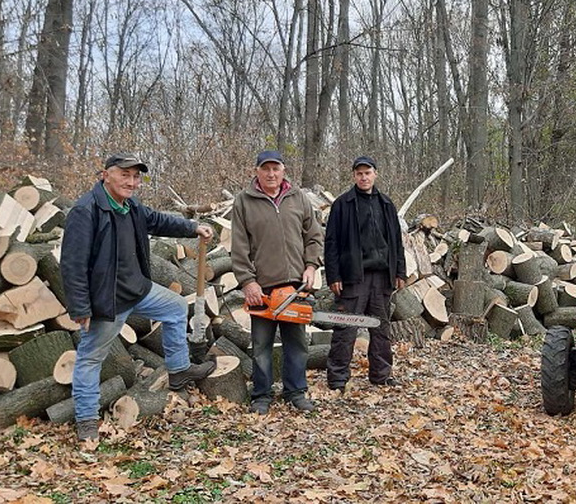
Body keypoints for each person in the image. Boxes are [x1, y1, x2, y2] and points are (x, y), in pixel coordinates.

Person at [61, 154, 217, 442]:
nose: (131, 182)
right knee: (90, 359)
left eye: (135, 177)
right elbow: (72, 264)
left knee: (174, 307)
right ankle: (86, 420)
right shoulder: (86, 211)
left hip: (138, 289)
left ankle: (179, 369)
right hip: (107, 300)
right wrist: (80, 306)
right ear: (105, 174)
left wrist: (192, 227)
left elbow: (156, 221)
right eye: (125, 175)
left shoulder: (129, 205)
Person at [231, 150, 324, 414]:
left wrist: (311, 266)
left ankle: (295, 391)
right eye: (265, 169)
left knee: (297, 342)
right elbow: (239, 247)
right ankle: (261, 394)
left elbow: (314, 236)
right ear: (257, 171)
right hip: (262, 287)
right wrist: (248, 282)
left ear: (283, 170)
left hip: (296, 284)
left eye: (276, 169)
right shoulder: (244, 202)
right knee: (261, 344)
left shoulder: (299, 198)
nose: (271, 174)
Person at [324, 155, 406, 392]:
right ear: (354, 176)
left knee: (381, 330)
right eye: (359, 173)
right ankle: (337, 378)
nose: (363, 177)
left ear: (375, 174)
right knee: (345, 330)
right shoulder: (343, 204)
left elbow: (396, 242)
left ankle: (381, 375)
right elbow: (331, 243)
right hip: (353, 277)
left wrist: (400, 271)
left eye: (367, 173)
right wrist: (334, 276)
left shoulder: (386, 204)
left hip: (382, 278)